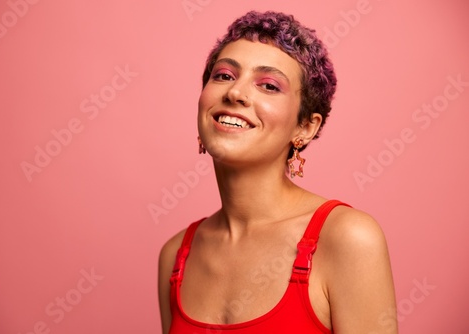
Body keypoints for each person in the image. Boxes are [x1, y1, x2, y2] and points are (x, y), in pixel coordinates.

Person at [158, 10, 397, 334]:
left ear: (305, 127)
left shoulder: (347, 238)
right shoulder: (176, 256)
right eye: (224, 75)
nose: (235, 93)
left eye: (268, 86)